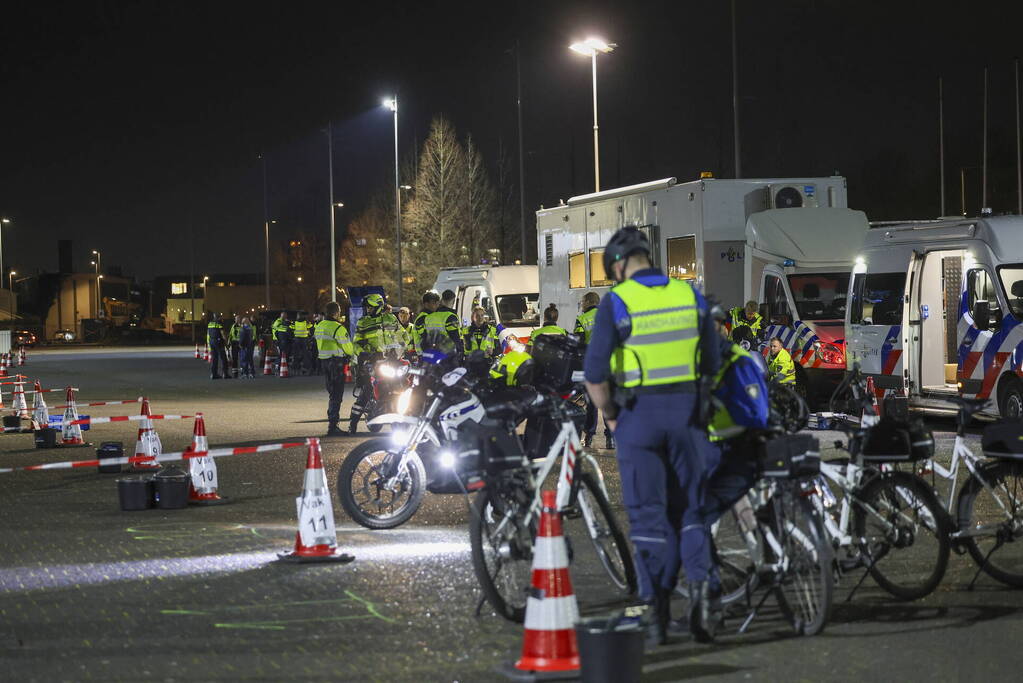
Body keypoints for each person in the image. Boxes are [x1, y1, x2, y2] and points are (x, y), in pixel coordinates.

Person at [582, 226, 721, 645]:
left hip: (639, 418)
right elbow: (712, 361)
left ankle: (655, 611)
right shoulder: (689, 294)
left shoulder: (617, 301)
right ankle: (704, 600)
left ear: (619, 265)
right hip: (689, 415)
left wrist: (610, 417)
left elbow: (595, 376)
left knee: (648, 515)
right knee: (693, 509)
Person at [698, 305, 770, 624]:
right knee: (748, 504)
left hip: (737, 449)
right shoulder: (732, 358)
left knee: (700, 516)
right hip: (744, 446)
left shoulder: (724, 362)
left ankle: (710, 603)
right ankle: (765, 557)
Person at [574, 291, 612, 450]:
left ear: (589, 302)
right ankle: (611, 439)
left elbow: (578, 343)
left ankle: (589, 436)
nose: (582, 305)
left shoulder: (582, 319)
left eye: (583, 302)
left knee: (591, 403)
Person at [316, 301, 356, 436]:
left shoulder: (320, 326)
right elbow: (348, 348)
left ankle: (333, 424)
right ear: (336, 313)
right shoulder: (338, 328)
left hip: (324, 362)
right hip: (336, 363)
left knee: (332, 393)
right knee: (336, 395)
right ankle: (333, 426)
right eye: (339, 312)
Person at [415, 290, 462, 355]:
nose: (437, 304)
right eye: (434, 303)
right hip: (445, 353)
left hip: (430, 353)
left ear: (442, 301)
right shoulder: (450, 317)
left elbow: (426, 338)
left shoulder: (429, 317)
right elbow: (455, 337)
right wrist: (460, 351)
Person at [207, 312, 229, 380]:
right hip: (219, 342)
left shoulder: (210, 323)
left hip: (212, 342)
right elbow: (223, 334)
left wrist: (209, 344)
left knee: (214, 359)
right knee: (223, 358)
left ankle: (214, 374)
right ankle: (225, 374)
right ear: (219, 317)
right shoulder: (219, 323)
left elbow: (208, 334)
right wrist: (226, 344)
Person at [227, 314, 242, 378]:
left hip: (241, 343)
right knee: (235, 358)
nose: (237, 320)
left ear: (240, 319)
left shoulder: (242, 326)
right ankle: (235, 373)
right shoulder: (233, 326)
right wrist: (228, 343)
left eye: (238, 318)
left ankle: (243, 372)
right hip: (234, 343)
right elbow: (230, 334)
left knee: (242, 358)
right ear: (235, 320)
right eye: (236, 319)